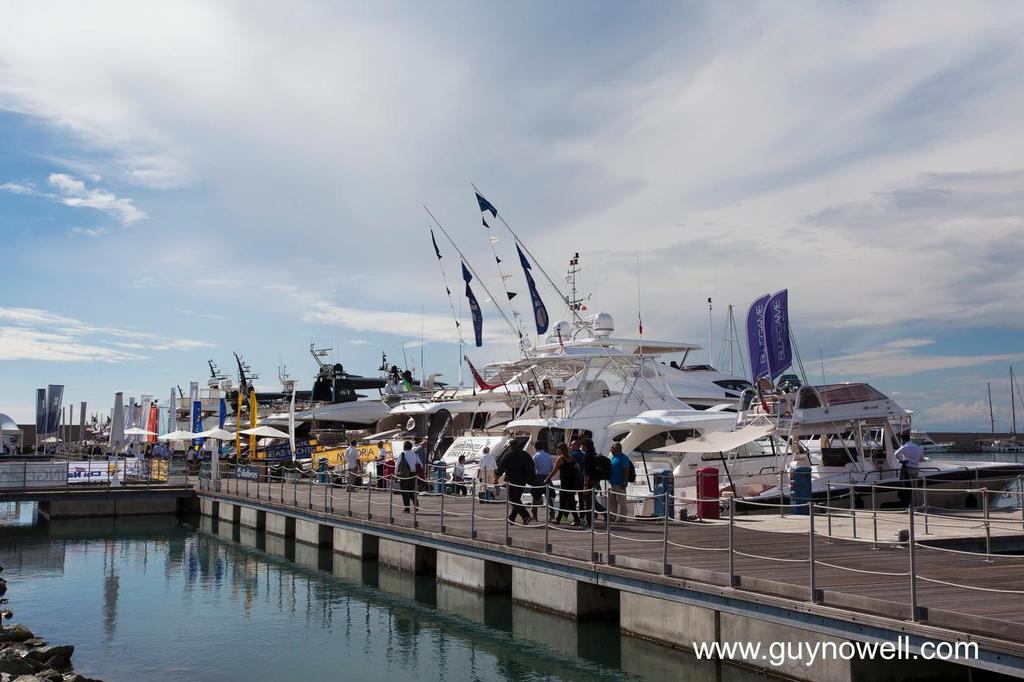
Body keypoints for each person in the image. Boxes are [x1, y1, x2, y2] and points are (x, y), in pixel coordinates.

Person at [496, 441, 535, 525]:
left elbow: (501, 468)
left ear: (510, 446)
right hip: (522, 480)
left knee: (513, 499)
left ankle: (526, 516)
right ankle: (512, 518)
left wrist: (496, 479)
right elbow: (532, 465)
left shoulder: (508, 454)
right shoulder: (525, 454)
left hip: (512, 480)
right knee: (516, 499)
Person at [545, 443, 581, 526]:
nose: (557, 450)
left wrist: (547, 478)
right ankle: (559, 519)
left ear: (561, 449)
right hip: (571, 482)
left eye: (558, 449)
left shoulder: (560, 459)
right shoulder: (572, 458)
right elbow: (577, 468)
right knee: (566, 501)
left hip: (564, 483)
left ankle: (576, 519)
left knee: (568, 502)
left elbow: (554, 471)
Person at [608, 442, 632, 523]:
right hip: (612, 483)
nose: (611, 449)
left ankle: (622, 517)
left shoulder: (623, 458)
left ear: (617, 448)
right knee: (612, 501)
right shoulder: (613, 458)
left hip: (620, 483)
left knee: (621, 501)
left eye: (612, 447)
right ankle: (613, 516)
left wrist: (624, 482)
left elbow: (626, 470)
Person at [530, 442, 554, 521]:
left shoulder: (535, 456)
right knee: (549, 496)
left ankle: (534, 514)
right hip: (547, 477)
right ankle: (552, 514)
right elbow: (551, 468)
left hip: (539, 476)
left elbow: (534, 468)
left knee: (535, 496)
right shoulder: (548, 456)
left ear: (536, 447)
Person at [395, 441, 420, 513]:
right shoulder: (415, 455)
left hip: (404, 475)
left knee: (404, 492)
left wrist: (396, 475)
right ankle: (416, 502)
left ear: (404, 447)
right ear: (411, 447)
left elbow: (397, 466)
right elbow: (419, 465)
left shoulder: (402, 455)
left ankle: (407, 508)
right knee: (412, 491)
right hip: (413, 475)